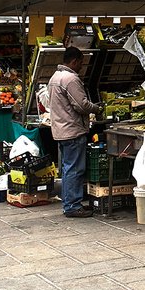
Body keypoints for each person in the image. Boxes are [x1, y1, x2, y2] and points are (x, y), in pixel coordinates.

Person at [48, 46, 102, 218]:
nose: (81, 66)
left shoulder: (55, 77)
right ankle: (72, 206)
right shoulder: (70, 79)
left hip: (61, 130)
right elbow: (82, 105)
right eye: (81, 62)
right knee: (74, 169)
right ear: (74, 61)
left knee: (67, 168)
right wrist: (97, 108)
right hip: (72, 130)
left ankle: (70, 203)